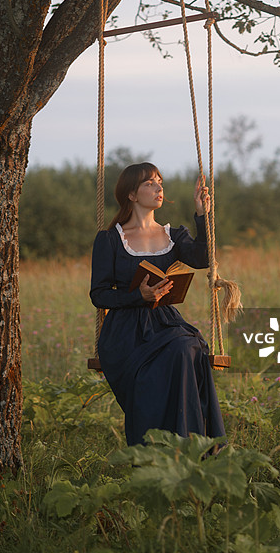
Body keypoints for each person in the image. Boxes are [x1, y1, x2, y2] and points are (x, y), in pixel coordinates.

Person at [90, 162, 226, 447]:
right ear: (131, 194)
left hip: (165, 323)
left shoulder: (173, 236)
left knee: (190, 348)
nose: (159, 188)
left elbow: (203, 259)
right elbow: (99, 295)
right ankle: (156, 449)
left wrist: (202, 214)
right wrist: (138, 296)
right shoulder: (110, 240)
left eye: (160, 182)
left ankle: (190, 446)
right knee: (178, 351)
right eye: (149, 183)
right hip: (126, 331)